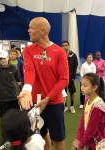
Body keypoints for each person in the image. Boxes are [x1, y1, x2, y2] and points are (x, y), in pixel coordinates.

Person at [18, 17, 69, 150]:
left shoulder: (60, 52)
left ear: (43, 30)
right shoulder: (28, 50)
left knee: (58, 138)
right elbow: (29, 70)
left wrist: (47, 99)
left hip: (54, 102)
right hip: (35, 103)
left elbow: (64, 79)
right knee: (38, 136)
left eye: (32, 28)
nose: (28, 30)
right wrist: (27, 90)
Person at [71, 73, 105, 150]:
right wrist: (77, 139)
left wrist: (80, 145)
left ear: (94, 87)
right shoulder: (87, 100)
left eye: (85, 86)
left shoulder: (97, 107)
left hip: (98, 144)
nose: (81, 88)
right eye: (81, 85)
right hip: (91, 142)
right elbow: (82, 121)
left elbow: (91, 130)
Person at [0, 50, 21, 117]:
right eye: (0, 58)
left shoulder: (14, 68)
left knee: (16, 116)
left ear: (8, 57)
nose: (2, 60)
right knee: (4, 117)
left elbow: (19, 80)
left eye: (4, 58)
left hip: (14, 97)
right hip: (2, 98)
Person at [62, 41, 78, 113]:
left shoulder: (73, 55)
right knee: (63, 93)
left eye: (66, 45)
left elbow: (75, 65)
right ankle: (65, 106)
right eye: (63, 45)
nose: (65, 47)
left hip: (70, 77)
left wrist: (73, 76)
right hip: (62, 78)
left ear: (68, 46)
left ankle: (71, 106)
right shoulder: (60, 54)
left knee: (72, 92)